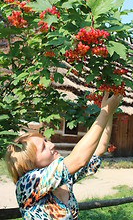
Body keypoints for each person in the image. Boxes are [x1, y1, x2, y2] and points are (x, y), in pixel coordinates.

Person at [5, 92, 122, 220]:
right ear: (29, 163)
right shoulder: (28, 183)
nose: (51, 145)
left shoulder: (64, 178)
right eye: (43, 147)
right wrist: (104, 112)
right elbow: (79, 160)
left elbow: (99, 150)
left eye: (46, 140)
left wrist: (109, 112)